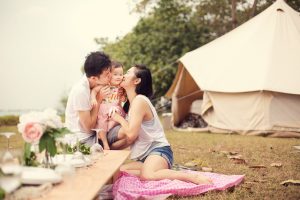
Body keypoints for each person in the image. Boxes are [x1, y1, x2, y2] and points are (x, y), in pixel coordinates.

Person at [110, 64, 212, 185]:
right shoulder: (131, 105)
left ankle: (193, 178)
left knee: (148, 175)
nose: (123, 75)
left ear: (136, 80)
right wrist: (109, 148)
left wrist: (119, 119)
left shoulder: (140, 101)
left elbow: (131, 134)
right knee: (119, 172)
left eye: (127, 72)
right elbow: (130, 139)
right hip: (144, 158)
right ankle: (158, 171)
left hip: (159, 151)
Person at [65, 51, 113, 147]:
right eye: (107, 74)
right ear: (94, 78)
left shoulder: (96, 83)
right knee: (124, 134)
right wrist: (99, 99)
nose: (110, 76)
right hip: (81, 140)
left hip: (94, 134)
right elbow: (88, 127)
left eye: (110, 72)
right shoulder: (81, 91)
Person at [90, 61, 126, 150]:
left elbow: (123, 100)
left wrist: (123, 97)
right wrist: (93, 98)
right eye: (115, 74)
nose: (119, 77)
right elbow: (94, 91)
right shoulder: (105, 86)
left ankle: (115, 132)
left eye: (121, 74)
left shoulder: (121, 87)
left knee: (117, 114)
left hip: (115, 109)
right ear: (109, 75)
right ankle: (105, 143)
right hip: (104, 110)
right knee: (101, 123)